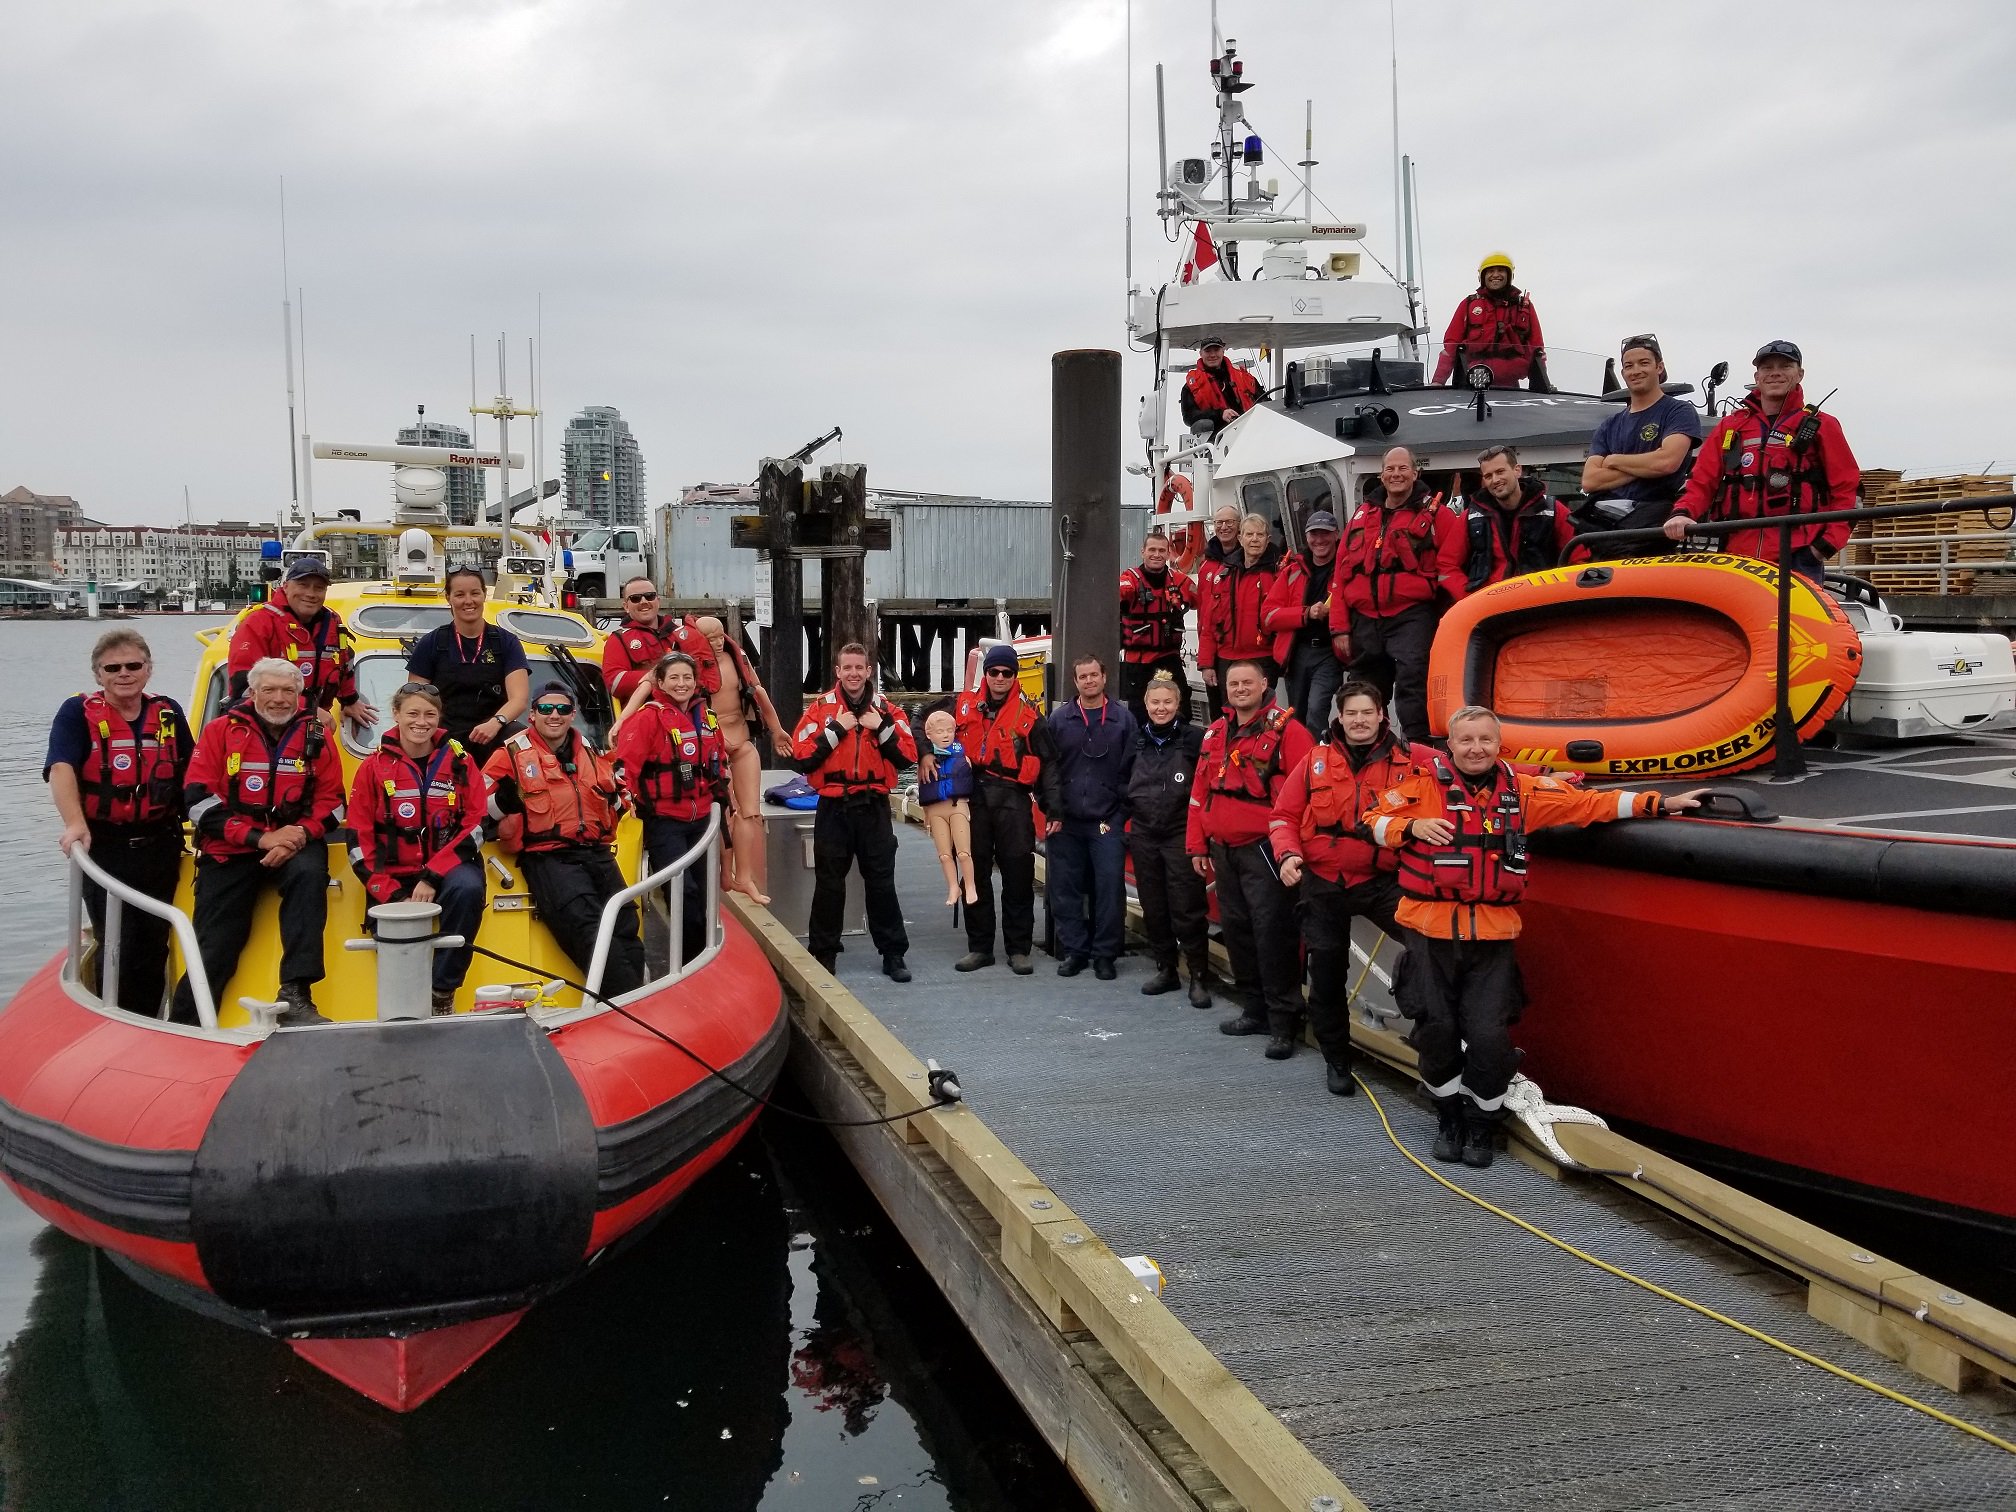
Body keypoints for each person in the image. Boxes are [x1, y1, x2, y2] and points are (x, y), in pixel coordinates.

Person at [1369, 705, 1705, 1166]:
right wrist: (1410, 826)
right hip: (1430, 935)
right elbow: (1372, 819)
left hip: (1491, 937)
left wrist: (1657, 802)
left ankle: (1482, 1121)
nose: (1476, 749)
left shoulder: (1521, 793)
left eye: (1485, 740)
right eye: (1466, 740)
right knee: (1437, 1031)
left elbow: (1588, 805)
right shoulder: (1421, 788)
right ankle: (1448, 1115)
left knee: (1490, 1039)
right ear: (1450, 745)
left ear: (1498, 744)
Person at [177, 658, 346, 1026]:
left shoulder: (317, 735)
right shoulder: (220, 732)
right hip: (231, 848)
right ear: (252, 693)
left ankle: (297, 993)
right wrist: (260, 838)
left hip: (294, 846)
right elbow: (198, 801)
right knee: (216, 941)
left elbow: (333, 803)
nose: (279, 699)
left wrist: (297, 835)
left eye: (288, 690)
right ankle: (187, 1021)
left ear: (300, 696)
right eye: (269, 690)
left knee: (308, 878)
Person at [1269, 681, 1414, 1097]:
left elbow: (1465, 763)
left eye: (1367, 712)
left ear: (1382, 715)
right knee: (1328, 975)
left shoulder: (1410, 760)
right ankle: (1337, 1058)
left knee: (1430, 943)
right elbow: (1283, 816)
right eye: (1351, 713)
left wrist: (1544, 775)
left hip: (1380, 879)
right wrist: (1287, 856)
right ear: (1340, 717)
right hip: (1323, 881)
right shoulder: (1314, 760)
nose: (1360, 720)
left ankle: (1424, 1023)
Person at [43, 630, 192, 1015]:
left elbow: (192, 775)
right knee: (117, 943)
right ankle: (117, 1015)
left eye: (133, 665)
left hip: (160, 844)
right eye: (113, 667)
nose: (124, 673)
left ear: (148, 669)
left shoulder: (169, 712)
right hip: (105, 847)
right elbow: (60, 768)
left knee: (154, 940)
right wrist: (75, 823)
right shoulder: (76, 713)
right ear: (98, 674)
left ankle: (146, 1017)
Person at [485, 681, 647, 999]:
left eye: (562, 708)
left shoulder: (590, 753)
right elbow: (475, 806)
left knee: (626, 921)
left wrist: (618, 795)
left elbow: (616, 799)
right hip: (548, 857)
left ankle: (643, 995)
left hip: (598, 852)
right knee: (584, 925)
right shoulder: (510, 755)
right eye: (546, 708)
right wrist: (505, 802)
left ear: (572, 714)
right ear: (532, 715)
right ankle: (628, 1001)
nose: (554, 715)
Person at [1185, 660, 1314, 1058]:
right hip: (1223, 849)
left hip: (1265, 849)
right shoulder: (1216, 733)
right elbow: (1199, 792)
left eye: (1247, 682)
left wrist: (1293, 849)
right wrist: (1196, 844)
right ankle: (1254, 1008)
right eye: (1233, 683)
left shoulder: (1289, 733)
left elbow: (1309, 794)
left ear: (1264, 684)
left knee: (1273, 934)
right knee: (1238, 931)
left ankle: (1283, 1023)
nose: (1240, 688)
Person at [347, 681, 488, 1014]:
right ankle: (403, 1007)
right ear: (396, 714)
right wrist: (394, 895)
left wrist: (433, 877)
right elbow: (358, 842)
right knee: (398, 950)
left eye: (430, 714)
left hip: (448, 868)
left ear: (439, 718)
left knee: (468, 891)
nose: (421, 722)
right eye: (412, 713)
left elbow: (476, 825)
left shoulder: (460, 762)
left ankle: (442, 991)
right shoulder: (372, 768)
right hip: (392, 874)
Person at [1664, 340, 1860, 578]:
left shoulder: (1822, 426)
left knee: (1794, 617)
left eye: (1785, 366)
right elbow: (1701, 480)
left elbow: (1849, 490)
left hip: (1798, 556)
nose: (1775, 373)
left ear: (1800, 374)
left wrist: (1821, 548)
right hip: (1735, 555)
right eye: (1767, 367)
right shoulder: (1731, 426)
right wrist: (1682, 513)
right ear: (1757, 377)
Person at [791, 643, 916, 982]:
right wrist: (835, 731)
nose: (853, 674)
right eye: (847, 668)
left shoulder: (887, 710)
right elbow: (801, 757)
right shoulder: (820, 710)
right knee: (829, 884)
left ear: (869, 671)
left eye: (859, 668)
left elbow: (907, 756)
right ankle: (824, 953)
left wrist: (882, 727)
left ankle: (893, 954)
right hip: (833, 807)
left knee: (881, 883)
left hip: (873, 807)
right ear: (837, 671)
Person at [1330, 447, 1468, 743]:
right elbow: (1341, 576)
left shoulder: (1439, 516)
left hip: (1412, 616)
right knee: (1363, 690)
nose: (1396, 474)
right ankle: (1366, 750)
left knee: (1413, 684)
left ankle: (1417, 750)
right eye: (1390, 469)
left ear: (1415, 473)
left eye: (1403, 468)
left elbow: (1454, 565)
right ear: (1381, 475)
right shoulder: (1361, 515)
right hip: (1364, 619)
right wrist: (1339, 627)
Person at [616, 652, 732, 964]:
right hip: (665, 821)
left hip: (703, 819)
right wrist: (626, 803)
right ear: (661, 682)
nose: (681, 684)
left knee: (705, 895)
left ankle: (700, 959)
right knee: (684, 894)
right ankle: (684, 961)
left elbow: (719, 757)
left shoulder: (707, 718)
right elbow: (623, 767)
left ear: (696, 682)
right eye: (674, 678)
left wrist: (723, 787)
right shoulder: (646, 719)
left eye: (687, 677)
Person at [951, 643, 1059, 975]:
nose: (1000, 678)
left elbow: (1050, 764)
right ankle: (980, 947)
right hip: (973, 799)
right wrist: (927, 753)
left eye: (1007, 673)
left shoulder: (1031, 717)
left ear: (1014, 676)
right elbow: (922, 723)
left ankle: (1018, 949)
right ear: (986, 674)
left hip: (1013, 799)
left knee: (1018, 876)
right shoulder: (963, 705)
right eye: (994, 672)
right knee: (975, 875)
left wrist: (1053, 809)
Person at [1045, 655, 1137, 981]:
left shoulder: (1123, 721)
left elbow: (1132, 772)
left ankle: (1105, 954)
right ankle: (1075, 951)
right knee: (1063, 887)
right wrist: (1051, 808)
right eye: (1082, 676)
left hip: (1106, 819)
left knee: (1110, 887)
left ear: (1104, 676)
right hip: (1066, 820)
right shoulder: (1058, 720)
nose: (1089, 681)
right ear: (1075, 681)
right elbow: (1047, 769)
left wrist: (1121, 813)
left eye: (1094, 675)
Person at [1126, 670, 1212, 1006]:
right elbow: (1121, 779)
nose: (1161, 708)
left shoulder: (1195, 739)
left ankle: (1199, 976)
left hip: (1180, 832)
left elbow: (1205, 786)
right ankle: (1166, 968)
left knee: (1187, 907)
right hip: (1144, 832)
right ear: (1146, 704)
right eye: (1155, 702)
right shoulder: (1136, 740)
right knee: (1154, 905)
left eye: (1168, 702)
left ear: (1178, 704)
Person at [693, 614, 791, 903]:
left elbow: (757, 692)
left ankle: (745, 875)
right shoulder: (692, 666)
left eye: (720, 636)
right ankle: (725, 874)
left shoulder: (738, 658)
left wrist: (777, 730)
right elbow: (653, 686)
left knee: (750, 812)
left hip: (743, 742)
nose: (717, 643)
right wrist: (623, 721)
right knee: (726, 812)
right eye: (710, 639)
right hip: (714, 747)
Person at [227, 557, 378, 738]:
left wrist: (349, 700)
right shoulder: (258, 623)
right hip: (264, 727)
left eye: (318, 588)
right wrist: (309, 710)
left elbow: (344, 661)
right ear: (286, 586)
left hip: (312, 727)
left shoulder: (332, 622)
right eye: (303, 585)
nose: (311, 593)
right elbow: (243, 687)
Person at [1578, 334, 1702, 541]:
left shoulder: (1679, 411)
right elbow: (1590, 481)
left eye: (1644, 363)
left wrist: (1615, 460)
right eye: (1629, 366)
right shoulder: (1610, 424)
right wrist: (1648, 466)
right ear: (1623, 372)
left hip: (1654, 530)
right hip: (1605, 530)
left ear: (1659, 367)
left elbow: (1667, 463)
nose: (1636, 371)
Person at [404, 565, 530, 765]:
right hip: (443, 738)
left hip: (493, 736)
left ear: (484, 595)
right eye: (460, 594)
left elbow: (519, 699)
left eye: (475, 593)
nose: (468, 601)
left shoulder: (507, 642)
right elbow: (414, 700)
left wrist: (496, 723)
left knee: (521, 738)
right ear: (448, 598)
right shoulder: (432, 642)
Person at [1198, 512, 1286, 718]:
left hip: (1263, 658)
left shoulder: (1278, 573)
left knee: (1260, 716)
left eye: (1260, 535)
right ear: (1240, 538)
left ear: (1268, 539)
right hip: (1226, 658)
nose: (1254, 539)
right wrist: (1206, 664)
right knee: (1227, 717)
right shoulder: (1224, 573)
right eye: (1249, 534)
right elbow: (1209, 623)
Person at [1261, 509, 1342, 725]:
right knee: (1295, 715)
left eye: (1325, 533)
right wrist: (1306, 614)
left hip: (1329, 653)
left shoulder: (1346, 569)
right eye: (1314, 534)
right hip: (1297, 653)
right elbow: (1268, 616)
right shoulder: (1292, 571)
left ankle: (1316, 757)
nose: (1319, 540)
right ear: (1306, 537)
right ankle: (1301, 758)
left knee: (1317, 710)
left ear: (1336, 535)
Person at [1463, 447, 1575, 590]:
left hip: (1543, 598)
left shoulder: (1553, 509)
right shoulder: (1472, 516)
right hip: (1490, 602)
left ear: (1517, 470)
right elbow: (1447, 564)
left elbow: (1578, 559)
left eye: (1500, 472)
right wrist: (1468, 599)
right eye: (1488, 476)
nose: (1495, 480)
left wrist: (1560, 592)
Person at [1431, 252, 1547, 388]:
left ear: (1510, 275)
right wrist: (1438, 382)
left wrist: (1543, 384)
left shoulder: (1524, 307)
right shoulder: (1469, 304)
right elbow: (1451, 346)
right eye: (1490, 271)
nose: (1496, 275)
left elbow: (1537, 347)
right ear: (1482, 276)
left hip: (1511, 389)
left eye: (1501, 271)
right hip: (1470, 386)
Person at [602, 575, 721, 704]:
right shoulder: (618, 639)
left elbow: (708, 671)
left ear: (658, 600)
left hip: (690, 712)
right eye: (635, 598)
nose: (643, 602)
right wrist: (657, 676)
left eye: (650, 596)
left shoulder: (683, 633)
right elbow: (614, 683)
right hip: (649, 715)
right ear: (626, 606)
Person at [1117, 530, 1196, 720]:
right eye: (1152, 549)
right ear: (1142, 551)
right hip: (1138, 663)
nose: (1157, 554)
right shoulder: (1130, 580)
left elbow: (1205, 601)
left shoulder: (1180, 581)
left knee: (1181, 711)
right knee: (1137, 715)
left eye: (1162, 550)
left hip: (1169, 659)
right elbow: (1117, 594)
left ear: (1169, 553)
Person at [916, 708, 977, 907]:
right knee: (944, 854)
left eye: (949, 731)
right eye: (940, 731)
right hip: (935, 810)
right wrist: (925, 812)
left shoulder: (962, 753)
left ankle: (970, 885)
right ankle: (953, 886)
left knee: (963, 852)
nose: (945, 735)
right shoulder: (925, 760)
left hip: (957, 805)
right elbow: (922, 785)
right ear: (929, 735)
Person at [1179, 336, 1261, 436]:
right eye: (1208, 351)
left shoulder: (1244, 376)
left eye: (1216, 350)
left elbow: (1264, 401)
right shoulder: (1191, 386)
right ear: (1201, 354)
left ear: (1223, 351)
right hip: (1218, 438)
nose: (1213, 355)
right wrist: (1220, 414)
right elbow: (1189, 416)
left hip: (1251, 431)